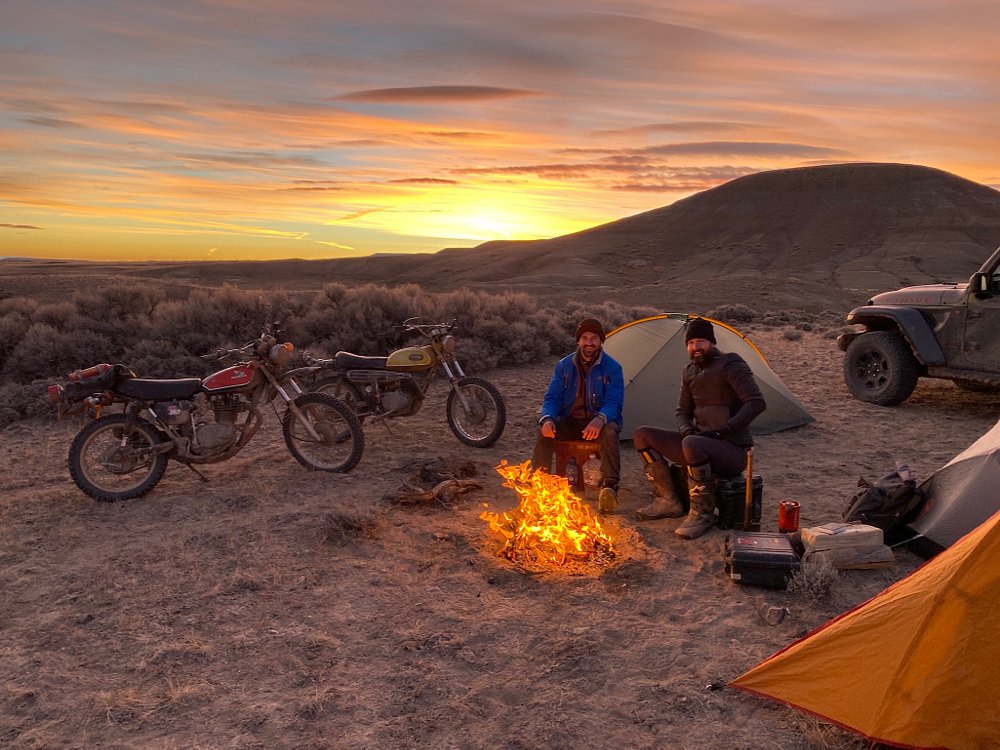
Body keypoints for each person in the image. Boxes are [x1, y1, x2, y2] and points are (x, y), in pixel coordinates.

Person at [632, 317, 766, 539]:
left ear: (711, 342)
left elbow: (756, 402)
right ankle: (668, 501)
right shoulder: (689, 371)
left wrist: (724, 430)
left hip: (732, 451)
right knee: (642, 435)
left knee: (692, 444)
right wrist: (687, 430)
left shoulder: (731, 364)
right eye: (691, 343)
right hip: (697, 445)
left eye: (701, 341)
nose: (695, 347)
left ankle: (702, 514)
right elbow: (682, 412)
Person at [532, 318, 624, 514]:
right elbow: (552, 398)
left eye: (594, 338)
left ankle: (609, 486)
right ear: (578, 341)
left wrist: (599, 419)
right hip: (571, 422)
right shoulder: (564, 366)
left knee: (611, 430)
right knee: (546, 430)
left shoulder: (613, 367)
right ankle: (539, 483)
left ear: (601, 341)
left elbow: (614, 403)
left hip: (598, 423)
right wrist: (547, 418)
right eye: (585, 338)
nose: (589, 343)